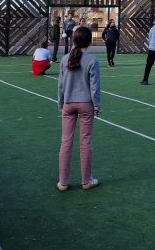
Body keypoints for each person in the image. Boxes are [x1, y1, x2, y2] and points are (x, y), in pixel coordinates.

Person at [56, 26, 101, 192]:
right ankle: (86, 180)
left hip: (68, 103)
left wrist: (61, 103)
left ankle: (63, 182)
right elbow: (95, 86)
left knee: (66, 141)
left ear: (73, 40)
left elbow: (61, 85)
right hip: (86, 104)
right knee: (85, 142)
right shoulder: (92, 60)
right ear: (89, 41)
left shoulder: (64, 59)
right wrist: (97, 105)